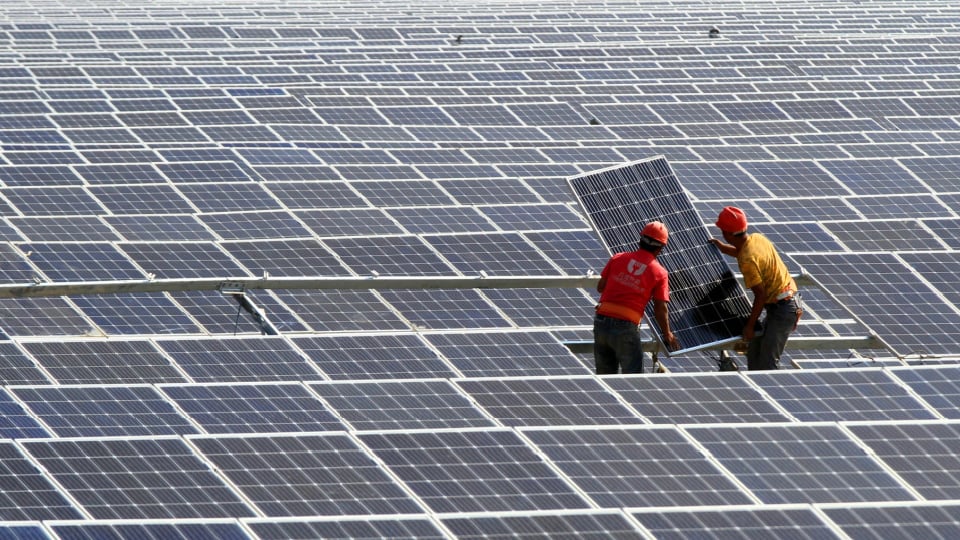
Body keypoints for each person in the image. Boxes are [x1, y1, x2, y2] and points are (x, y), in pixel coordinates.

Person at [709, 206, 800, 370]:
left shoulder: (747, 261)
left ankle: (769, 391)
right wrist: (723, 248)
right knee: (754, 353)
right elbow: (745, 253)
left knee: (767, 364)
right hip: (786, 300)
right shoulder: (757, 238)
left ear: (728, 233)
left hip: (784, 309)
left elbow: (760, 295)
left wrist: (749, 326)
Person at [594, 221, 680, 374]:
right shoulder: (660, 273)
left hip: (601, 321)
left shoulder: (618, 258)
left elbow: (601, 287)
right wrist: (667, 334)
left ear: (640, 240)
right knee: (633, 379)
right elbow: (660, 308)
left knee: (605, 377)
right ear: (661, 248)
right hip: (626, 325)